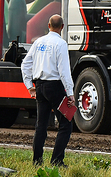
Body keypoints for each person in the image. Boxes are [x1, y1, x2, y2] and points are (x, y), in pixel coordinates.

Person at [21, 14, 75, 167]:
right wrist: (70, 93)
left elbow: (25, 65)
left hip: (40, 86)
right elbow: (64, 71)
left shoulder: (38, 42)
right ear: (62, 27)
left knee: (41, 125)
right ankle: (57, 161)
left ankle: (37, 161)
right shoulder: (61, 44)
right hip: (54, 87)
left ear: (48, 25)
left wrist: (29, 86)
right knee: (66, 123)